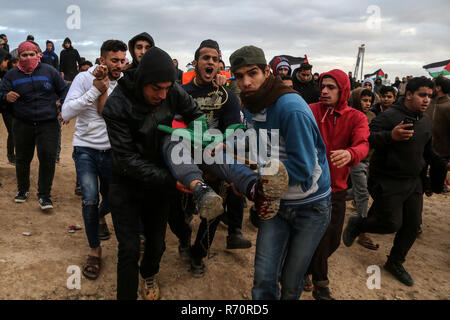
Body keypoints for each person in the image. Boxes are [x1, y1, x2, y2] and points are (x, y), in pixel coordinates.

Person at [103, 46, 288, 300]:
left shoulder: (175, 91)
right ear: (144, 81)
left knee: (156, 244)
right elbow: (126, 160)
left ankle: (149, 275)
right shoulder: (116, 105)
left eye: (168, 88)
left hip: (166, 174)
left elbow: (195, 114)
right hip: (129, 182)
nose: (163, 94)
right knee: (129, 248)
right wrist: (175, 178)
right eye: (157, 88)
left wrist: (202, 142)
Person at [229, 45, 332, 300]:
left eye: (252, 73)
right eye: (239, 76)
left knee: (291, 281)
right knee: (264, 277)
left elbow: (303, 166)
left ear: (266, 71)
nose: (246, 82)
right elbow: (258, 146)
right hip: (274, 204)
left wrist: (252, 183)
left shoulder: (290, 108)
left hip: (310, 206)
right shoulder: (253, 103)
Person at [343, 76, 450, 286]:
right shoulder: (389, 116)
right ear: (409, 94)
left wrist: (443, 165)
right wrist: (390, 136)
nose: (427, 100)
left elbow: (427, 152)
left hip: (414, 181)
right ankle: (359, 224)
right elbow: (367, 140)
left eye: (430, 95)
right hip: (387, 179)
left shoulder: (425, 120)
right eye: (422, 95)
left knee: (412, 226)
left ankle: (395, 262)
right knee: (391, 223)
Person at [176, 39, 251, 278]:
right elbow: (174, 127)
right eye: (205, 58)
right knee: (180, 214)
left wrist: (219, 152)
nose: (210, 62)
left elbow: (233, 129)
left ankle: (199, 254)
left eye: (215, 59)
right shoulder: (182, 93)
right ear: (196, 62)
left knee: (213, 212)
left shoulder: (227, 95)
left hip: (215, 158)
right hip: (185, 161)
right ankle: (184, 239)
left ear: (220, 65)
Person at [62, 39, 127, 280]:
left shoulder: (123, 84)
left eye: (122, 60)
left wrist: (107, 86)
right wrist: (95, 90)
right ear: (102, 60)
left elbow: (111, 113)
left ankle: (101, 216)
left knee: (113, 197)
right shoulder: (83, 78)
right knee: (89, 199)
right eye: (114, 60)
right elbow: (67, 113)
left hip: (112, 151)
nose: (119, 65)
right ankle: (94, 250)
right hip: (86, 150)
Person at [305, 69, 369, 300]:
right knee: (316, 237)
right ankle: (321, 285)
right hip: (308, 188)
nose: (324, 91)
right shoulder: (310, 110)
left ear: (343, 90)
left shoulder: (357, 117)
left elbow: (363, 144)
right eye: (322, 86)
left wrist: (351, 153)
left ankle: (305, 268)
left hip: (337, 189)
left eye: (331, 87)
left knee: (332, 239)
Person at [0, 41, 68, 210]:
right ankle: (22, 190)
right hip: (22, 123)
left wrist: (62, 104)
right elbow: (1, 94)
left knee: (47, 158)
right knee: (23, 158)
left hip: (48, 123)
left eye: (32, 54)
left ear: (38, 54)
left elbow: (65, 90)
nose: (28, 58)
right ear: (19, 57)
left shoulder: (50, 71)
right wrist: (5, 97)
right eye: (24, 55)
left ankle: (44, 195)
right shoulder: (11, 76)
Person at [346, 88, 379, 250]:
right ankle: (362, 231)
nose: (367, 103)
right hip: (356, 159)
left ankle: (333, 197)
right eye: (364, 100)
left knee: (359, 191)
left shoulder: (372, 117)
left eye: (369, 101)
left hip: (369, 160)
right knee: (363, 193)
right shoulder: (349, 115)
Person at [426, 76, 450, 192]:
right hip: (423, 150)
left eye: (433, 85)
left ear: (438, 88)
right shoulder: (427, 103)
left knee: (436, 187)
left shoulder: (449, 106)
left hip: (442, 153)